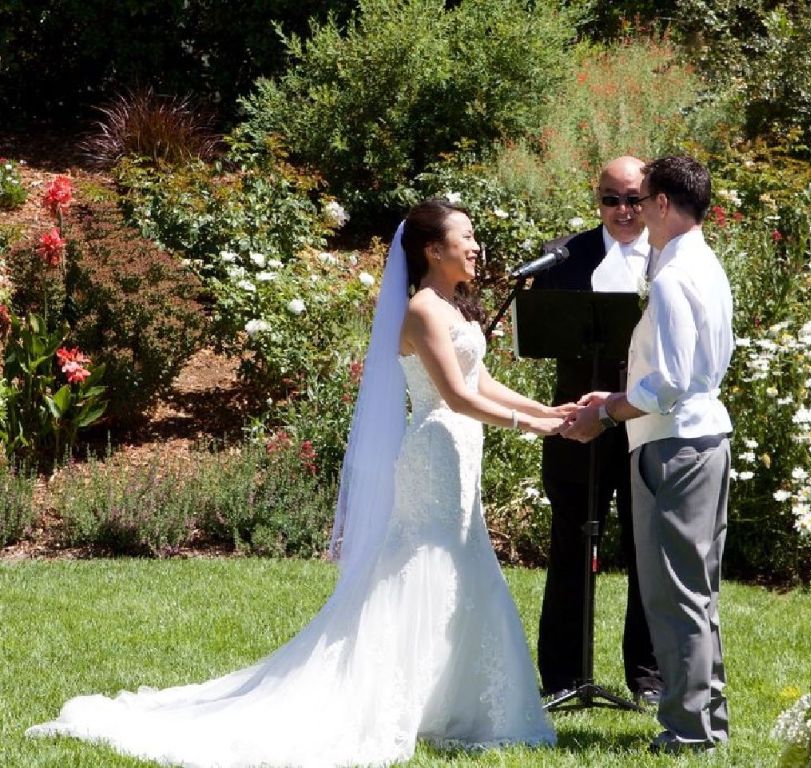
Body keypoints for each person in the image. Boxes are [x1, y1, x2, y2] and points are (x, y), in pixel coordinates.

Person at [28, 199, 572, 767]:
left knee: (462, 560)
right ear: (433, 250)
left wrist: (551, 410)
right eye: (466, 236)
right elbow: (457, 397)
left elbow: (481, 379)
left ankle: (453, 704)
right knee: (420, 565)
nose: (477, 245)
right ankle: (392, 700)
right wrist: (537, 425)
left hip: (463, 448)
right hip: (435, 448)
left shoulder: (455, 308)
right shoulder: (422, 311)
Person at [561, 156, 734, 754]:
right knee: (698, 589)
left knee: (673, 592)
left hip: (674, 444)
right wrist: (613, 394)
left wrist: (606, 413)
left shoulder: (669, 277)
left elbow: (669, 382)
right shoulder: (706, 265)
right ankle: (708, 719)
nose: (633, 213)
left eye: (644, 201)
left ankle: (689, 733)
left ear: (663, 203)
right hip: (704, 436)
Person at [532, 156, 661, 704]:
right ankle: (562, 676)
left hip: (643, 423)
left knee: (645, 550)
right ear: (598, 200)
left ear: (652, 199)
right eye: (612, 199)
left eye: (633, 199)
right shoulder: (566, 255)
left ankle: (649, 678)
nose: (624, 211)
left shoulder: (668, 255)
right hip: (578, 422)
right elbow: (537, 331)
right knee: (570, 545)